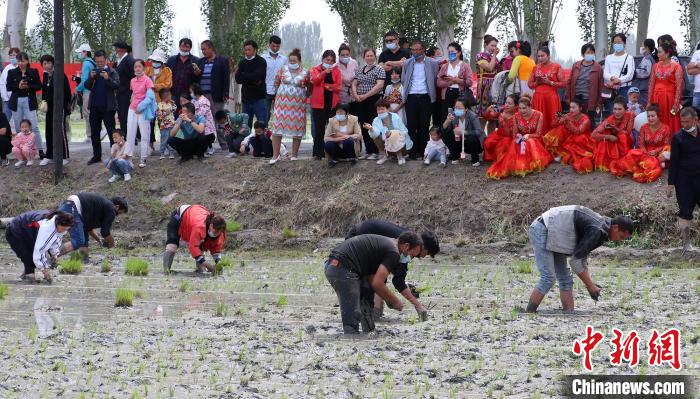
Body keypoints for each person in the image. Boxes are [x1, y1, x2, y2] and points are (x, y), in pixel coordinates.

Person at [525, 206, 633, 312]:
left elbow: (581, 257)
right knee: (548, 277)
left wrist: (590, 284)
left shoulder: (602, 229)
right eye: (622, 237)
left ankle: (569, 312)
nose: (621, 240)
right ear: (615, 227)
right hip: (543, 228)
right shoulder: (598, 229)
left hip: (556, 234)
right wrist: (590, 286)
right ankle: (528, 313)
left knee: (565, 279)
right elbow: (575, 262)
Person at [324, 231, 423, 334]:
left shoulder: (386, 246)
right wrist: (395, 301)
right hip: (342, 268)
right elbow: (377, 283)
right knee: (352, 313)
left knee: (367, 296)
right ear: (406, 246)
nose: (409, 258)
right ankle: (351, 338)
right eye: (412, 255)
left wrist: (387, 298)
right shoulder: (393, 252)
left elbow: (372, 279)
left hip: (334, 266)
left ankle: (369, 331)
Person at [345, 219, 440, 319]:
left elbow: (395, 275)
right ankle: (373, 313)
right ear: (423, 247)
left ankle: (374, 312)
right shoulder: (406, 246)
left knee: (379, 274)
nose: (424, 257)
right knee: (373, 277)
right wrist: (417, 305)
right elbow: (398, 281)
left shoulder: (409, 240)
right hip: (356, 239)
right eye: (427, 253)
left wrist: (388, 297)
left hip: (360, 234)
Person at [486, 94, 552, 179]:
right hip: (521, 139)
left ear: (530, 106)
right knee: (515, 143)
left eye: (524, 108)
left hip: (535, 139)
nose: (522, 111)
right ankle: (518, 165)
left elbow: (538, 134)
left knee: (530, 142)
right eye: (520, 108)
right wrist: (520, 137)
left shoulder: (539, 115)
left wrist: (528, 135)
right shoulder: (516, 116)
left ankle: (530, 164)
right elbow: (514, 134)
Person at [5, 210, 74, 283]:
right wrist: (45, 271)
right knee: (27, 254)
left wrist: (54, 254)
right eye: (63, 229)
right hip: (14, 231)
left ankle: (26, 274)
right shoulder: (47, 228)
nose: (64, 231)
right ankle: (29, 277)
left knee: (33, 254)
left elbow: (56, 240)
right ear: (57, 223)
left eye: (66, 229)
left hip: (28, 231)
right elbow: (39, 251)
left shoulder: (59, 225)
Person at [57, 193, 128, 263]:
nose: (117, 215)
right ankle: (52, 256)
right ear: (117, 207)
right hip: (72, 207)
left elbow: (88, 228)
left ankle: (83, 260)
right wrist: (112, 243)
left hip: (68, 206)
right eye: (120, 213)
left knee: (84, 239)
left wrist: (98, 240)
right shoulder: (111, 209)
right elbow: (105, 232)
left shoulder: (101, 207)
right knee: (79, 240)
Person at [666, 107, 700, 252]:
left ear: (695, 120)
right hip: (684, 180)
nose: (684, 125)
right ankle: (686, 244)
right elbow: (673, 162)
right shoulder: (678, 137)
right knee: (685, 211)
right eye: (682, 122)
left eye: (687, 121)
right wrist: (670, 183)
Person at [610, 104, 670, 183]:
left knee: (668, 150)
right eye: (648, 116)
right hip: (645, 152)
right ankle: (651, 164)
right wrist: (645, 153)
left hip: (659, 153)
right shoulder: (644, 127)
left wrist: (656, 151)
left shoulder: (665, 128)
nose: (650, 118)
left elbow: (666, 145)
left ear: (658, 116)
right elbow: (641, 143)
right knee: (632, 153)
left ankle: (654, 163)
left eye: (653, 116)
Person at [268, 48, 308, 164]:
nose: (292, 63)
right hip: (281, 105)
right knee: (277, 129)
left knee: (297, 129)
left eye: (294, 61)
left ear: (299, 61)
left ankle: (294, 155)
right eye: (290, 61)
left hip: (298, 106)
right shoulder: (282, 69)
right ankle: (275, 156)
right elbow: (276, 83)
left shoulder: (306, 72)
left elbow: (309, 88)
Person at [162, 204, 226, 274]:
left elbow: (216, 249)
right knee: (172, 246)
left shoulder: (220, 232)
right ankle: (166, 271)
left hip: (195, 213)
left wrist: (219, 263)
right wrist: (208, 265)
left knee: (201, 271)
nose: (217, 234)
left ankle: (200, 271)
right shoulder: (199, 227)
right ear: (211, 226)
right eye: (216, 231)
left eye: (219, 232)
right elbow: (193, 248)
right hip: (179, 216)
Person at [402, 40, 439, 159]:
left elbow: (434, 79)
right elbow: (404, 79)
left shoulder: (432, 63)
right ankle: (412, 152)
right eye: (413, 50)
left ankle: (424, 151)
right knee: (411, 126)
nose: (416, 52)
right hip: (411, 97)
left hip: (425, 98)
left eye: (418, 49)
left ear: (423, 50)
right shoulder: (407, 63)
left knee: (424, 126)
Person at [84, 50, 120, 164]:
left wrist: (107, 78)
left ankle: (114, 155)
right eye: (97, 61)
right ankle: (96, 156)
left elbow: (117, 85)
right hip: (94, 106)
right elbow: (87, 86)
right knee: (95, 132)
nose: (99, 63)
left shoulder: (112, 71)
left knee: (111, 132)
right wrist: (91, 78)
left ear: (106, 60)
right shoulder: (93, 71)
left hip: (108, 107)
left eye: (101, 61)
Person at [6, 52, 43, 157]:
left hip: (29, 100)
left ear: (27, 61)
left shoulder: (33, 71)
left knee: (34, 126)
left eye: (23, 61)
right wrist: (18, 85)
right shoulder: (12, 72)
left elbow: (39, 86)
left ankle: (40, 150)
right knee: (19, 127)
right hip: (16, 101)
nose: (21, 63)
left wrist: (28, 87)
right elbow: (8, 87)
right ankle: (21, 151)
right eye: (19, 61)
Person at [544, 97, 595, 173]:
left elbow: (578, 132)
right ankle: (558, 155)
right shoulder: (569, 115)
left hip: (582, 139)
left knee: (578, 139)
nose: (571, 110)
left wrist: (568, 122)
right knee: (558, 130)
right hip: (570, 136)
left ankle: (565, 156)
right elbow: (553, 125)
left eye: (574, 108)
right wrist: (557, 120)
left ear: (580, 108)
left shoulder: (586, 119)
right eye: (570, 107)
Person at [352, 48, 386, 159]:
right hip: (360, 100)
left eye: (371, 56)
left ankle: (376, 151)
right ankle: (368, 151)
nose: (369, 58)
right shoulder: (360, 69)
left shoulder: (379, 69)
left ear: (375, 56)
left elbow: (379, 86)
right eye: (367, 56)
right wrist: (356, 95)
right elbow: (354, 83)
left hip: (374, 99)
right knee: (364, 124)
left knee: (373, 124)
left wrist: (365, 95)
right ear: (364, 57)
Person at [39, 54, 72, 166]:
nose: (46, 65)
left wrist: (66, 107)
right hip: (49, 108)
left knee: (60, 130)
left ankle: (64, 156)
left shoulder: (59, 74)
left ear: (52, 63)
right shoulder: (45, 75)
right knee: (49, 130)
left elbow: (67, 92)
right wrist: (44, 102)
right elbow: (44, 91)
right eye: (44, 63)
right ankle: (49, 155)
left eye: (48, 62)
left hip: (60, 107)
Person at [310, 50, 342, 160]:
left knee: (333, 130)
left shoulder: (337, 71)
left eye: (331, 60)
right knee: (319, 130)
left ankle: (333, 153)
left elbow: (338, 87)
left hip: (332, 104)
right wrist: (324, 73)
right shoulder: (315, 69)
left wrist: (326, 86)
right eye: (327, 59)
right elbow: (315, 81)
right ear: (322, 59)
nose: (329, 62)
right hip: (318, 104)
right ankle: (318, 153)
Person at [529, 43, 565, 133]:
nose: (540, 58)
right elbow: (529, 84)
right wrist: (537, 82)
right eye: (538, 56)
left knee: (553, 119)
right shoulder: (535, 68)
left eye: (542, 56)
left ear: (548, 56)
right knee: (539, 120)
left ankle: (552, 141)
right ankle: (538, 140)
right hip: (538, 98)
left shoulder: (556, 66)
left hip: (551, 98)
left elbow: (564, 83)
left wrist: (550, 82)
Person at [647, 43, 683, 134]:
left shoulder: (676, 66)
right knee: (657, 119)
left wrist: (676, 103)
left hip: (669, 99)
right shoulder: (656, 66)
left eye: (659, 52)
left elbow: (679, 86)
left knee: (670, 121)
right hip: (656, 98)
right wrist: (649, 101)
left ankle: (671, 144)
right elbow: (651, 84)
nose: (657, 54)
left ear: (667, 54)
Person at [591, 96, 633, 172]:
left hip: (625, 143)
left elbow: (628, 132)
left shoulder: (630, 115)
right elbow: (593, 135)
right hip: (612, 144)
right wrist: (609, 137)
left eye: (619, 109)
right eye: (615, 109)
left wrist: (616, 129)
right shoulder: (609, 120)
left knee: (623, 137)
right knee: (605, 133)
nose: (616, 112)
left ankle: (625, 160)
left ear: (625, 109)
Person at [566, 43, 604, 129]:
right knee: (575, 121)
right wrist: (568, 97)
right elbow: (569, 82)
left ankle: (590, 141)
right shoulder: (576, 65)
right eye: (587, 52)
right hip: (576, 98)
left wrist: (600, 101)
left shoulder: (598, 68)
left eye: (591, 52)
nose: (589, 54)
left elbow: (601, 86)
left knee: (589, 122)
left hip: (590, 99)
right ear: (582, 54)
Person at [364, 98, 412, 165]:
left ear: (388, 109)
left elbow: (404, 131)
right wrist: (371, 128)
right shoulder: (376, 120)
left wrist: (392, 133)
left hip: (402, 147)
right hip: (388, 147)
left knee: (392, 134)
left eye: (382, 109)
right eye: (378, 109)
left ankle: (400, 157)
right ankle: (384, 156)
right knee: (376, 136)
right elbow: (375, 134)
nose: (380, 111)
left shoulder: (395, 116)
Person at [126, 59, 155, 168]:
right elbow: (133, 93)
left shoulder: (147, 80)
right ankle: (129, 157)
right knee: (130, 134)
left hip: (143, 110)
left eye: (139, 66)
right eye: (135, 67)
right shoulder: (132, 81)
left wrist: (140, 106)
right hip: (132, 109)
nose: (137, 68)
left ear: (143, 68)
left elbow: (150, 97)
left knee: (144, 134)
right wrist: (132, 102)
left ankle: (143, 158)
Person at [437, 42, 473, 125]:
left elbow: (470, 82)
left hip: (460, 96)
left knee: (459, 119)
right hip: (446, 95)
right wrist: (449, 82)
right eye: (449, 52)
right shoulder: (445, 66)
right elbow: (438, 82)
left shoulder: (465, 66)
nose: (450, 54)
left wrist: (456, 80)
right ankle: (447, 137)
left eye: (452, 52)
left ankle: (459, 136)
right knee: (446, 118)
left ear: (459, 53)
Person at [441, 97, 483, 165]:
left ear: (466, 109)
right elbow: (443, 130)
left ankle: (475, 159)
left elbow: (479, 131)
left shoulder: (473, 116)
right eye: (456, 108)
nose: (457, 110)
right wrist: (447, 121)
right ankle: (455, 156)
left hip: (472, 143)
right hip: (459, 141)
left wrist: (463, 132)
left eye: (460, 108)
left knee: (472, 138)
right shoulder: (453, 115)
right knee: (445, 134)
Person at [145, 49, 173, 153]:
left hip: (163, 101)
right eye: (153, 60)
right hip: (150, 101)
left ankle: (166, 146)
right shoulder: (148, 69)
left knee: (164, 125)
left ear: (162, 62)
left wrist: (154, 86)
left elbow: (168, 84)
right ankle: (150, 146)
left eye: (157, 61)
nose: (154, 63)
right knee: (150, 125)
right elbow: (143, 80)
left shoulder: (167, 71)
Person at [235, 40, 267, 128]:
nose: (247, 52)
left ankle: (263, 141)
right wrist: (251, 78)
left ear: (255, 50)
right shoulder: (242, 62)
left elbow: (259, 77)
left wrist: (244, 75)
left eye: (249, 50)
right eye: (245, 50)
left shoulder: (261, 61)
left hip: (259, 98)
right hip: (246, 99)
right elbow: (238, 79)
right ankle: (247, 142)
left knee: (262, 124)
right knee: (245, 126)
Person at [195, 40, 231, 118]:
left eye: (205, 49)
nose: (203, 51)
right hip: (202, 95)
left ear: (211, 48)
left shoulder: (222, 60)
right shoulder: (200, 61)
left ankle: (216, 130)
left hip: (216, 95)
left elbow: (226, 78)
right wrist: (196, 74)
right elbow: (196, 78)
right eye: (202, 49)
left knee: (216, 116)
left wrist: (226, 93)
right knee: (203, 117)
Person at [603, 33, 635, 116]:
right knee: (612, 113)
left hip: (624, 89)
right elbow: (605, 73)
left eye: (619, 42)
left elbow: (630, 74)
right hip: (611, 90)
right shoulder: (609, 57)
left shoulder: (629, 58)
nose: (617, 44)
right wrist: (612, 78)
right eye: (615, 42)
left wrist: (619, 80)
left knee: (624, 114)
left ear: (624, 44)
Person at [167, 38, 200, 114]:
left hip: (189, 94)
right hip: (173, 93)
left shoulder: (196, 60)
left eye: (187, 47)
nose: (184, 49)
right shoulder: (171, 60)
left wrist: (197, 74)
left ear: (190, 48)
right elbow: (166, 75)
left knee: (188, 114)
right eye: (182, 46)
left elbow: (198, 78)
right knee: (172, 114)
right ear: (179, 46)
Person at [475, 35, 501, 130]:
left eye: (495, 46)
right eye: (492, 45)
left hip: (495, 88)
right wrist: (494, 55)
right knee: (482, 117)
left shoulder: (495, 59)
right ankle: (481, 142)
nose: (494, 48)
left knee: (493, 118)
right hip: (483, 87)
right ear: (485, 45)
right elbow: (489, 68)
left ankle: (490, 143)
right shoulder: (480, 56)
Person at [483, 94, 518, 163]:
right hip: (499, 134)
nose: (506, 105)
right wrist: (488, 110)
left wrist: (505, 120)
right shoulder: (502, 109)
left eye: (509, 104)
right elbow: (488, 117)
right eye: (506, 102)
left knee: (503, 145)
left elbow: (510, 134)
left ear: (516, 106)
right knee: (488, 142)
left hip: (510, 137)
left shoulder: (518, 115)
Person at [262, 35, 287, 121]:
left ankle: (277, 133)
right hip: (266, 90)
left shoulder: (284, 59)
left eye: (277, 46)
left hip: (280, 91)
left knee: (279, 115)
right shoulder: (263, 58)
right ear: (269, 45)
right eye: (273, 46)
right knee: (265, 114)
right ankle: (264, 132)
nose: (275, 48)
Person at [74, 44, 96, 142]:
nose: (80, 54)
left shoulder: (86, 63)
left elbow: (84, 80)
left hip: (87, 91)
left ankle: (90, 135)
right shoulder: (92, 62)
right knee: (89, 113)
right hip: (92, 90)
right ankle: (91, 134)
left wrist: (77, 88)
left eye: (81, 52)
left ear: (85, 52)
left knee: (87, 113)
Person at [113, 41, 135, 131]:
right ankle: (125, 136)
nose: (115, 51)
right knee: (122, 116)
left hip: (126, 93)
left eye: (116, 48)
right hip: (120, 93)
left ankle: (127, 137)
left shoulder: (129, 60)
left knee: (125, 116)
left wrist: (127, 89)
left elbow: (133, 77)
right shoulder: (121, 60)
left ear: (121, 49)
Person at [190, 83, 217, 155]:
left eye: (191, 92)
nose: (191, 94)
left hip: (206, 123)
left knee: (206, 136)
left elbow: (201, 113)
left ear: (196, 91)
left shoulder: (205, 101)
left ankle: (210, 147)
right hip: (196, 122)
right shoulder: (193, 101)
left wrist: (192, 116)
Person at [1, 48, 20, 134]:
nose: (13, 57)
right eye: (11, 55)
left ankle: (21, 141)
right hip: (7, 100)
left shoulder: (22, 67)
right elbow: (2, 83)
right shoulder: (7, 68)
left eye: (15, 55)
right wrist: (5, 97)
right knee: (5, 120)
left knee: (19, 121)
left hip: (19, 99)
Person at [634, 39, 656, 105]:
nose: (641, 47)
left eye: (642, 45)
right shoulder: (648, 58)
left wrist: (634, 72)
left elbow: (645, 72)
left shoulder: (647, 58)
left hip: (644, 89)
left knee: (643, 108)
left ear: (646, 47)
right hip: (645, 88)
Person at [156, 88, 177, 159]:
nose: (171, 97)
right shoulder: (159, 105)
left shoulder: (170, 104)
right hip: (164, 126)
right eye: (170, 95)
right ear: (166, 96)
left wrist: (173, 103)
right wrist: (165, 113)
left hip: (171, 125)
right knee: (164, 139)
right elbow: (159, 116)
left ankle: (171, 152)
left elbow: (175, 108)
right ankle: (162, 153)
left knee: (171, 139)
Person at [337, 44, 358, 109]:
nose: (345, 57)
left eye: (347, 55)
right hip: (341, 96)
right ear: (339, 55)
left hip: (354, 94)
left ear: (350, 54)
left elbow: (358, 76)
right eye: (343, 55)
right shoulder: (335, 66)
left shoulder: (354, 62)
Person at [688, 41, 700, 110]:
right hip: (697, 92)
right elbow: (689, 69)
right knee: (695, 116)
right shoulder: (697, 53)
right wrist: (696, 64)